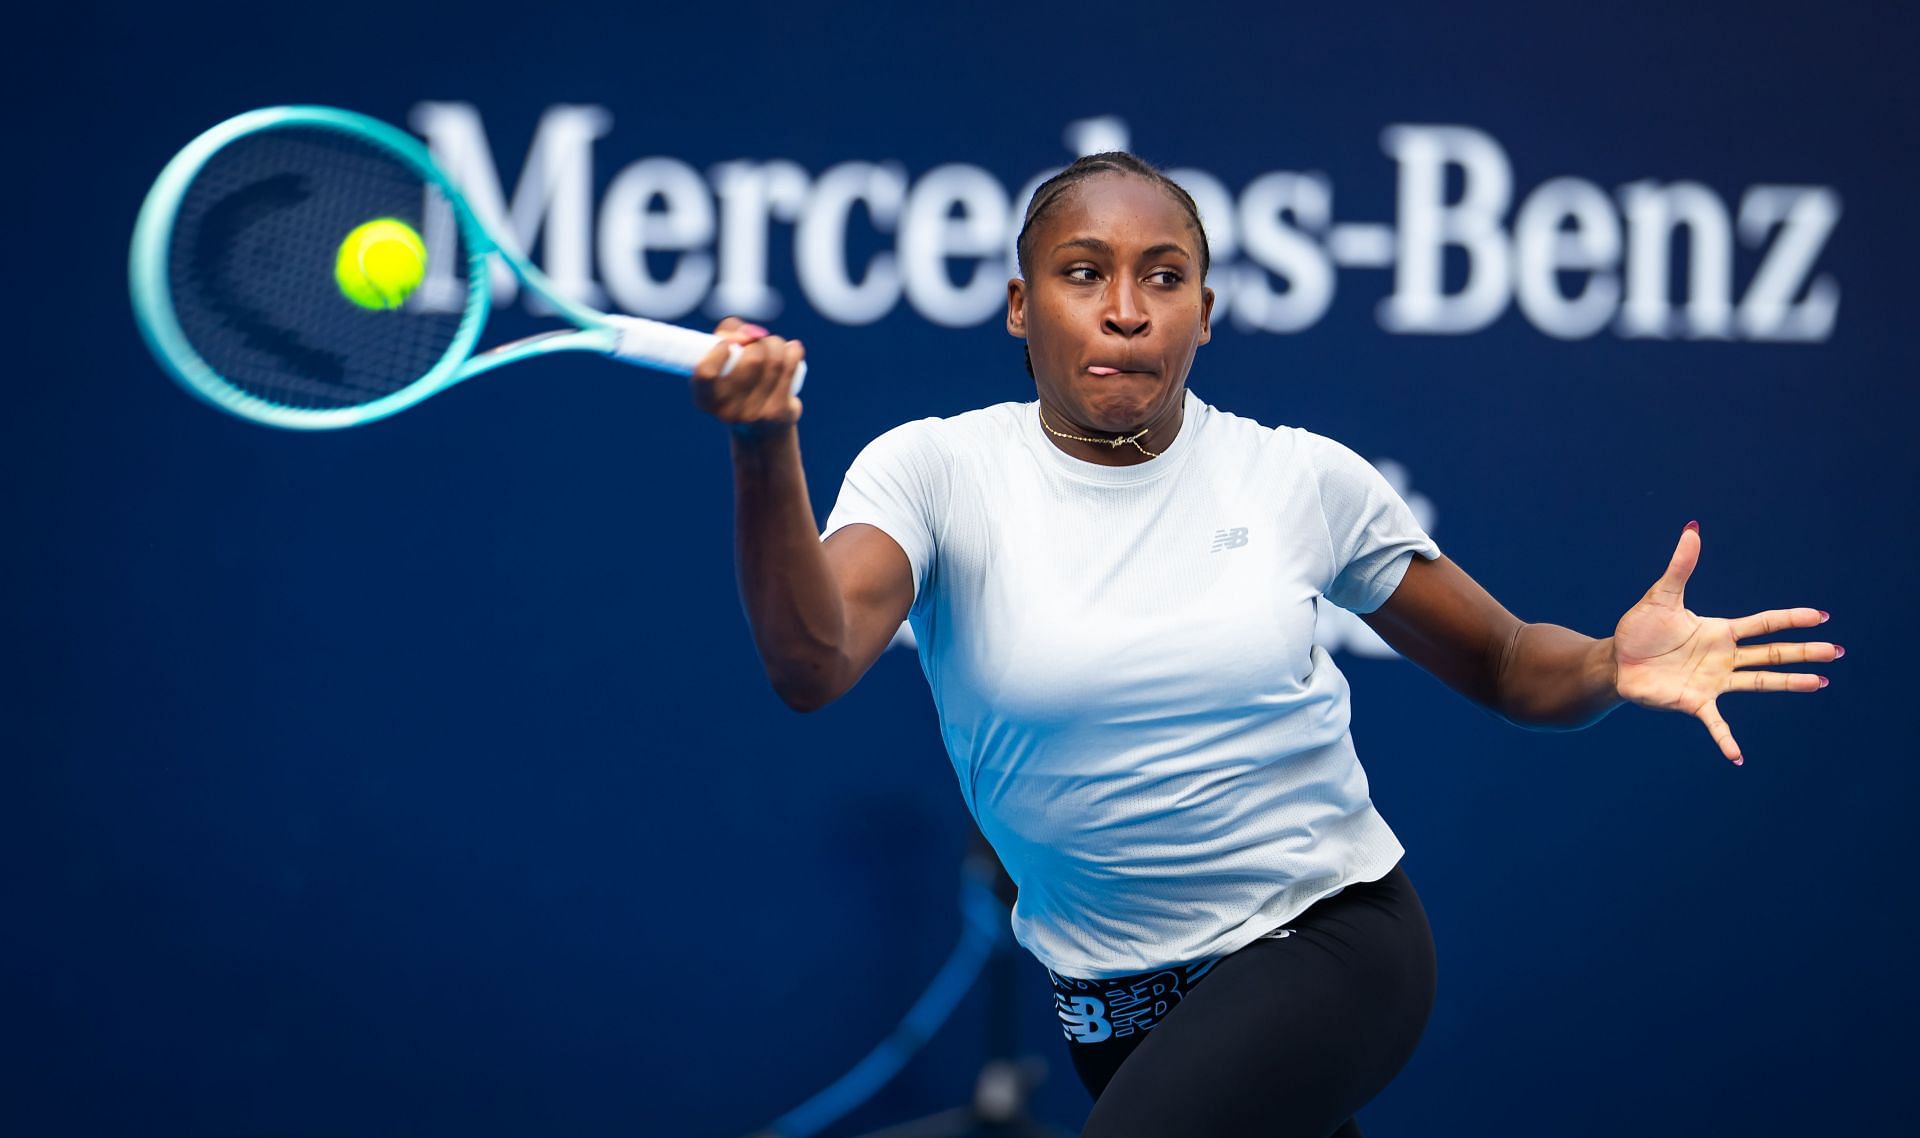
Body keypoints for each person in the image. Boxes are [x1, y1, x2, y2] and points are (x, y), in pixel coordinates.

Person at [687, 153, 1839, 1138]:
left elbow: (1502, 664)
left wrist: (1606, 665)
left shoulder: (1299, 478)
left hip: (1330, 947)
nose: (1125, 307)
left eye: (1164, 277)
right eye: (1083, 274)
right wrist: (763, 450)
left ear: (1205, 309)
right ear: (1021, 306)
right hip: (1109, 1006)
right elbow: (813, 659)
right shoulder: (932, 471)